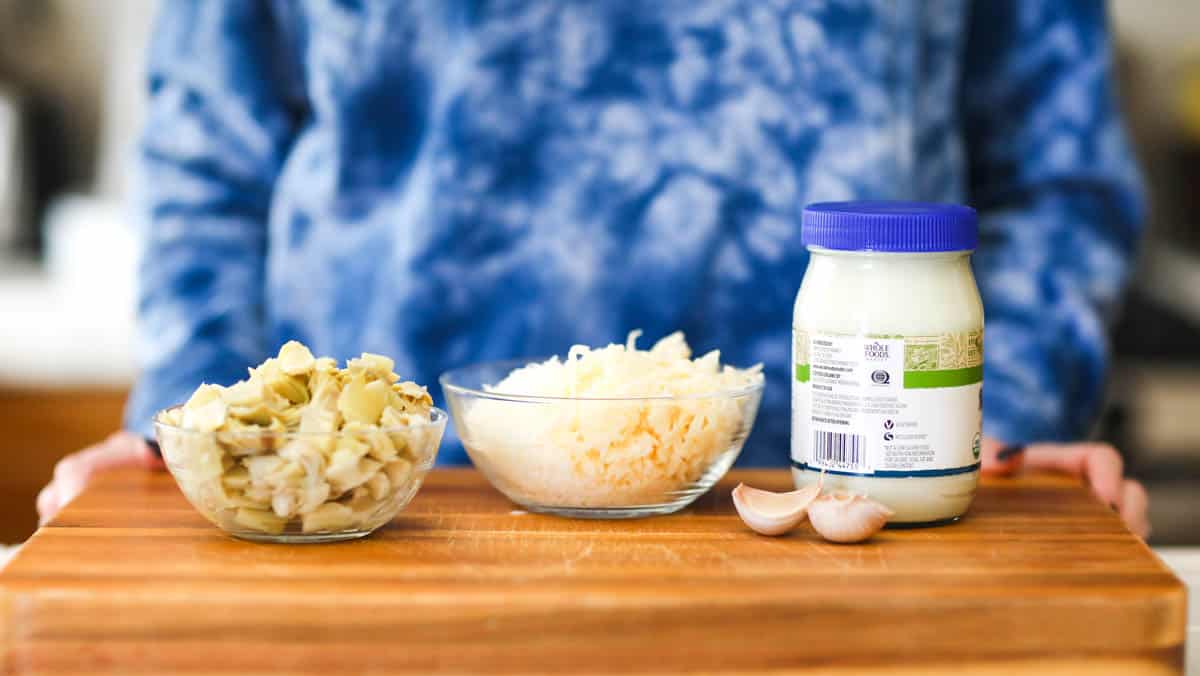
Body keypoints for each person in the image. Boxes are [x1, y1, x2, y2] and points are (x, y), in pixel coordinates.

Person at [37, 1, 1150, 536]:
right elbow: (210, 159)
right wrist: (205, 435)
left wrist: (987, 432)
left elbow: (1058, 178)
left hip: (847, 524)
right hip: (382, 520)